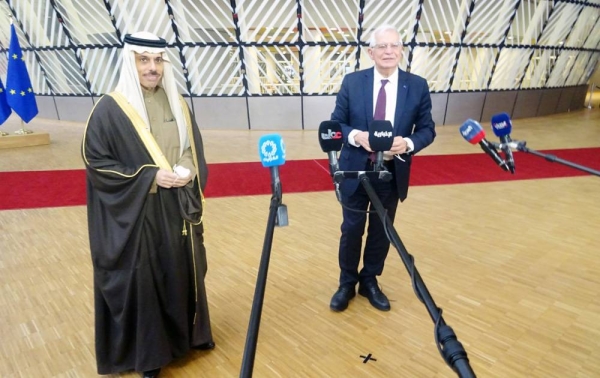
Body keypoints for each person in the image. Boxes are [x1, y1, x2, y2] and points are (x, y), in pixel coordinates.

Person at [82, 32, 214, 378]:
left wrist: (187, 167)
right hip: (138, 211)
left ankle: (184, 338)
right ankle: (150, 355)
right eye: (144, 60)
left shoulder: (177, 102)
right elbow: (96, 161)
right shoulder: (109, 109)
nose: (152, 68)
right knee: (145, 280)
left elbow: (191, 146)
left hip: (177, 206)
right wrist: (148, 177)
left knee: (180, 270)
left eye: (157, 61)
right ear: (131, 62)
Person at [329, 25, 436, 312]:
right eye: (382, 46)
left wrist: (409, 143)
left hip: (391, 173)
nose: (388, 51)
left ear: (401, 50)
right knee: (351, 230)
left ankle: (370, 282)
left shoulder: (417, 86)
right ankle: (346, 283)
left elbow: (427, 130)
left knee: (381, 231)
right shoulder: (353, 82)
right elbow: (337, 123)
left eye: (394, 46)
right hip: (356, 171)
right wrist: (356, 136)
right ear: (370, 52)